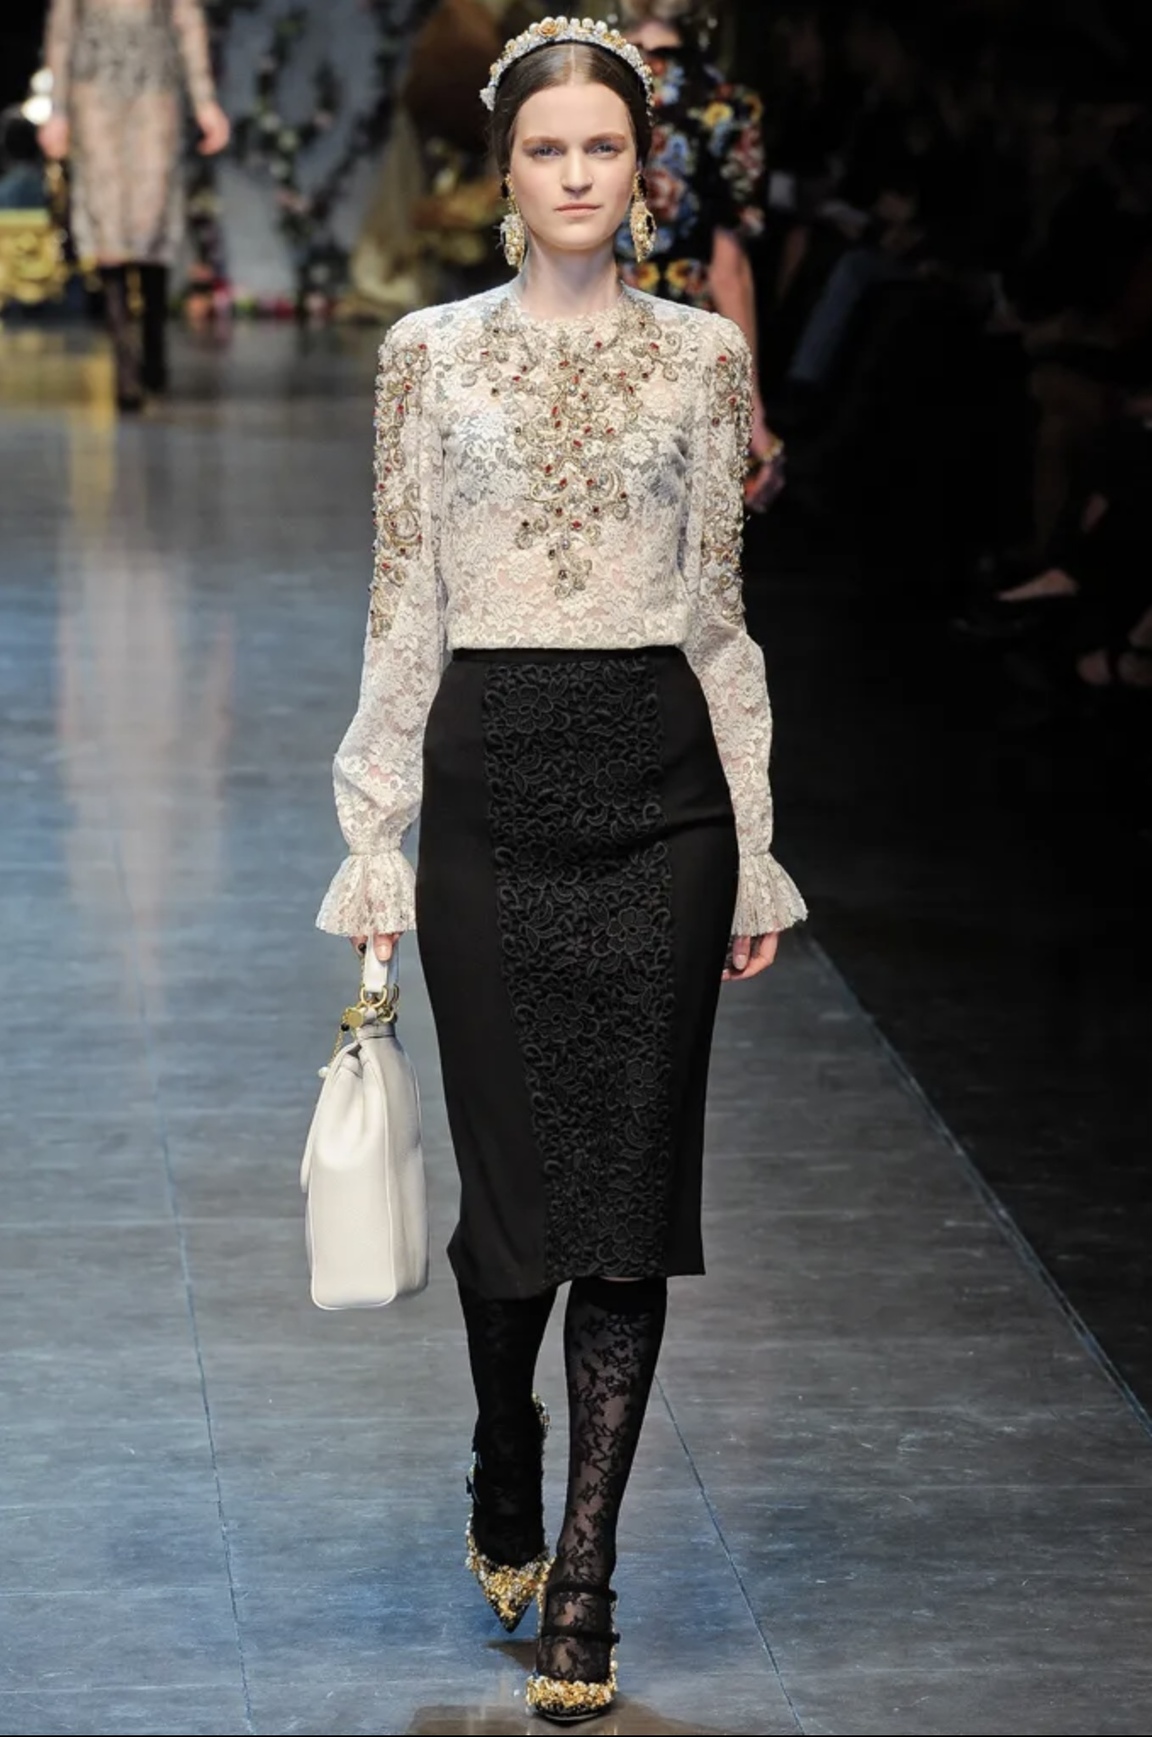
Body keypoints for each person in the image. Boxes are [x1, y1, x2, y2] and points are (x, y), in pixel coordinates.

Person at [316, 14, 806, 1723]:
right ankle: (502, 1441)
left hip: (662, 797)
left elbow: (720, 616)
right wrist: (373, 834)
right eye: (548, 149)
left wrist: (753, 846)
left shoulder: (702, 359)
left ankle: (587, 1580)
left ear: (642, 166)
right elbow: (403, 599)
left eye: (604, 147)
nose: (577, 174)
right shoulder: (428, 356)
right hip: (487, 792)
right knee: (513, 1211)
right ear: (506, 169)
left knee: (628, 1199)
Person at [616, 0, 786, 508]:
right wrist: (752, 415)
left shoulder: (586, 91)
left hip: (589, 319)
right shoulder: (725, 105)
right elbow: (728, 270)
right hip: (686, 337)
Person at [37, 0, 230, 410]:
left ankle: (154, 343)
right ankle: (125, 364)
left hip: (154, 89)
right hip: (93, 91)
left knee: (151, 214)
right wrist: (56, 110)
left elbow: (187, 20)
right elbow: (62, 30)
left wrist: (204, 101)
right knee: (106, 215)